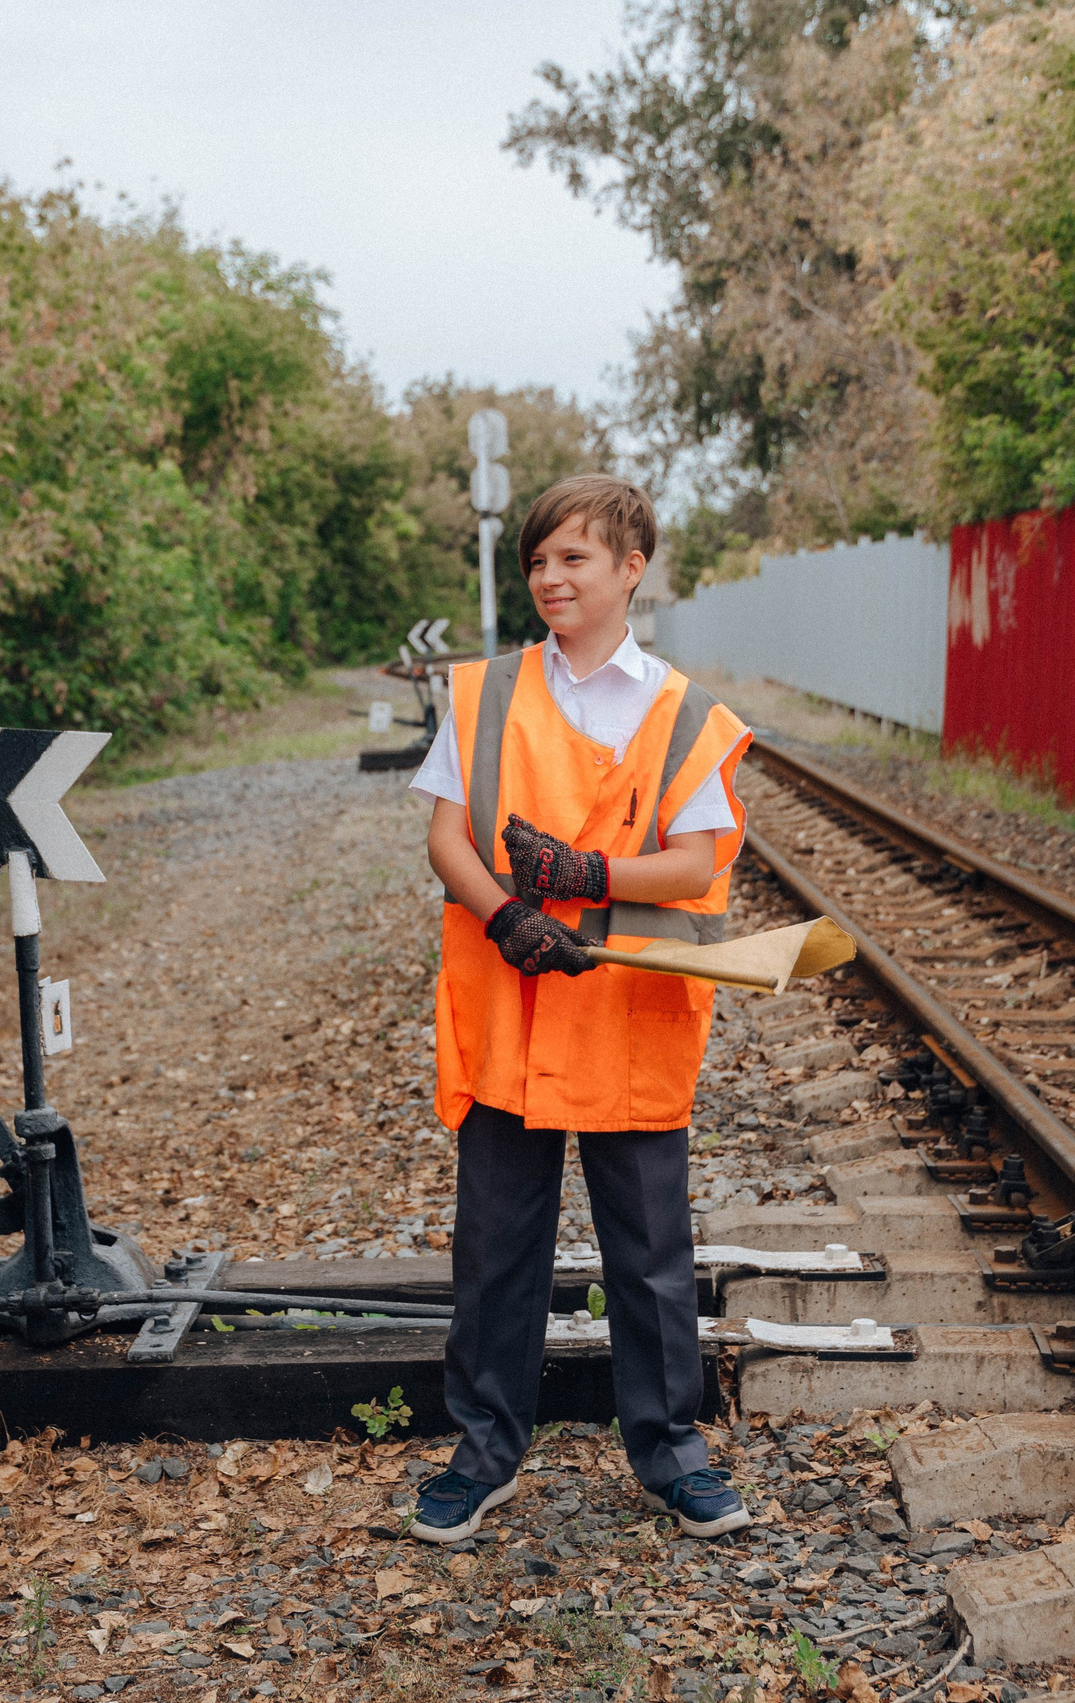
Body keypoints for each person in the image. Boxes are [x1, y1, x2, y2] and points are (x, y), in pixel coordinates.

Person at [401, 473, 753, 1544]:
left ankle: (671, 1453)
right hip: (509, 1004)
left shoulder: (686, 713)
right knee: (496, 1243)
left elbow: (694, 861)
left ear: (630, 567)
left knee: (648, 1254)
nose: (550, 578)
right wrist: (506, 912)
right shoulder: (483, 691)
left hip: (630, 1014)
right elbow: (446, 834)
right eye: (538, 561)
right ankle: (485, 1449)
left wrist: (591, 872)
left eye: (574, 559)